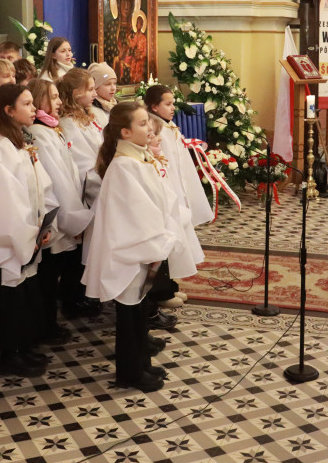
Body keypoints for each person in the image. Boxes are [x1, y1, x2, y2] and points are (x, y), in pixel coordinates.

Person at [82, 102, 181, 392]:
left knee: (139, 311)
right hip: (130, 251)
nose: (149, 128)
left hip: (142, 249)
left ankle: (142, 364)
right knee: (129, 315)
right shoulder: (124, 165)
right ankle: (130, 373)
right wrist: (161, 235)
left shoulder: (137, 159)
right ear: (125, 132)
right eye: (141, 124)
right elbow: (138, 212)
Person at [0, 83, 58, 377]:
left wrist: (44, 223)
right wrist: (27, 234)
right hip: (8, 241)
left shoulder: (18, 144)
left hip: (28, 235)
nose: (34, 109)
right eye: (27, 104)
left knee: (25, 296)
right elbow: (3, 203)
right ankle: (9, 355)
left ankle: (23, 348)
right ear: (8, 110)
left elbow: (39, 186)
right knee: (10, 300)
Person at [27, 79, 95, 339]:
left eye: (58, 96)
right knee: (47, 274)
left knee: (55, 270)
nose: (58, 102)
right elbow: (58, 179)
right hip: (54, 215)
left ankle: (50, 322)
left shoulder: (51, 129)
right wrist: (73, 218)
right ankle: (45, 326)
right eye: (52, 98)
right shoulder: (40, 133)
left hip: (65, 210)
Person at [144, 85, 209, 318]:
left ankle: (171, 287)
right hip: (165, 190)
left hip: (175, 191)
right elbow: (165, 161)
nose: (173, 108)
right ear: (154, 106)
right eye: (168, 104)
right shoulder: (155, 127)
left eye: (173, 103)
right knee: (166, 246)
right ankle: (161, 293)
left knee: (176, 242)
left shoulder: (168, 126)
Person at [58, 68, 104, 206]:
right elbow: (84, 165)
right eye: (90, 90)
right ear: (76, 93)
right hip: (94, 190)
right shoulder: (69, 123)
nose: (95, 94)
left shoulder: (88, 117)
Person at [87, 62, 118, 126]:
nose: (113, 88)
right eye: (108, 84)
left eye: (114, 83)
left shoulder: (116, 105)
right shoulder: (92, 111)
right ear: (95, 87)